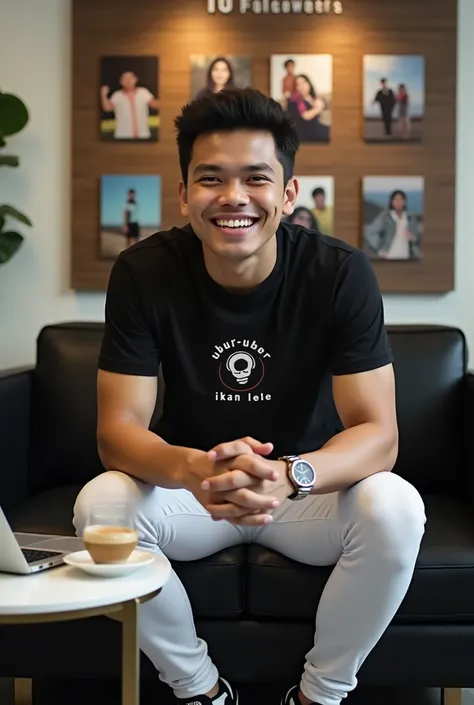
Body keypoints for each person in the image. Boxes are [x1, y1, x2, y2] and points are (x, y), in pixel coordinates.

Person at [73, 87, 426, 705]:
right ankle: (201, 690)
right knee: (102, 502)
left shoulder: (340, 272)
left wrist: (292, 473)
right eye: (211, 179)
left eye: (255, 179)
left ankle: (320, 694)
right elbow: (117, 432)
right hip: (194, 493)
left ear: (288, 194)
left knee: (395, 505)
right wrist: (193, 468)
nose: (233, 197)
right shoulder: (142, 271)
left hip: (304, 494)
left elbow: (380, 435)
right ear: (184, 194)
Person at [100, 70, 159, 140]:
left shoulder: (143, 92)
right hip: (123, 135)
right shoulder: (117, 95)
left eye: (130, 78)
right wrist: (103, 95)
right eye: (125, 78)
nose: (128, 80)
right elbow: (107, 108)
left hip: (143, 135)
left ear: (135, 79)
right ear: (121, 81)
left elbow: (155, 104)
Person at [364, 189, 422, 261]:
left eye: (400, 199)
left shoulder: (411, 217)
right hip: (389, 255)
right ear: (391, 201)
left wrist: (412, 238)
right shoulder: (385, 216)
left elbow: (416, 237)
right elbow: (370, 232)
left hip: (407, 255)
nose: (398, 202)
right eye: (395, 199)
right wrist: (379, 248)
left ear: (405, 201)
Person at [287, 75, 329, 142]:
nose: (302, 86)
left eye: (304, 82)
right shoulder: (296, 101)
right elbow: (305, 116)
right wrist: (319, 108)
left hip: (316, 127)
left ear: (309, 83)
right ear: (296, 88)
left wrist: (322, 104)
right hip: (305, 131)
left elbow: (325, 106)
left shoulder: (314, 98)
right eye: (298, 84)